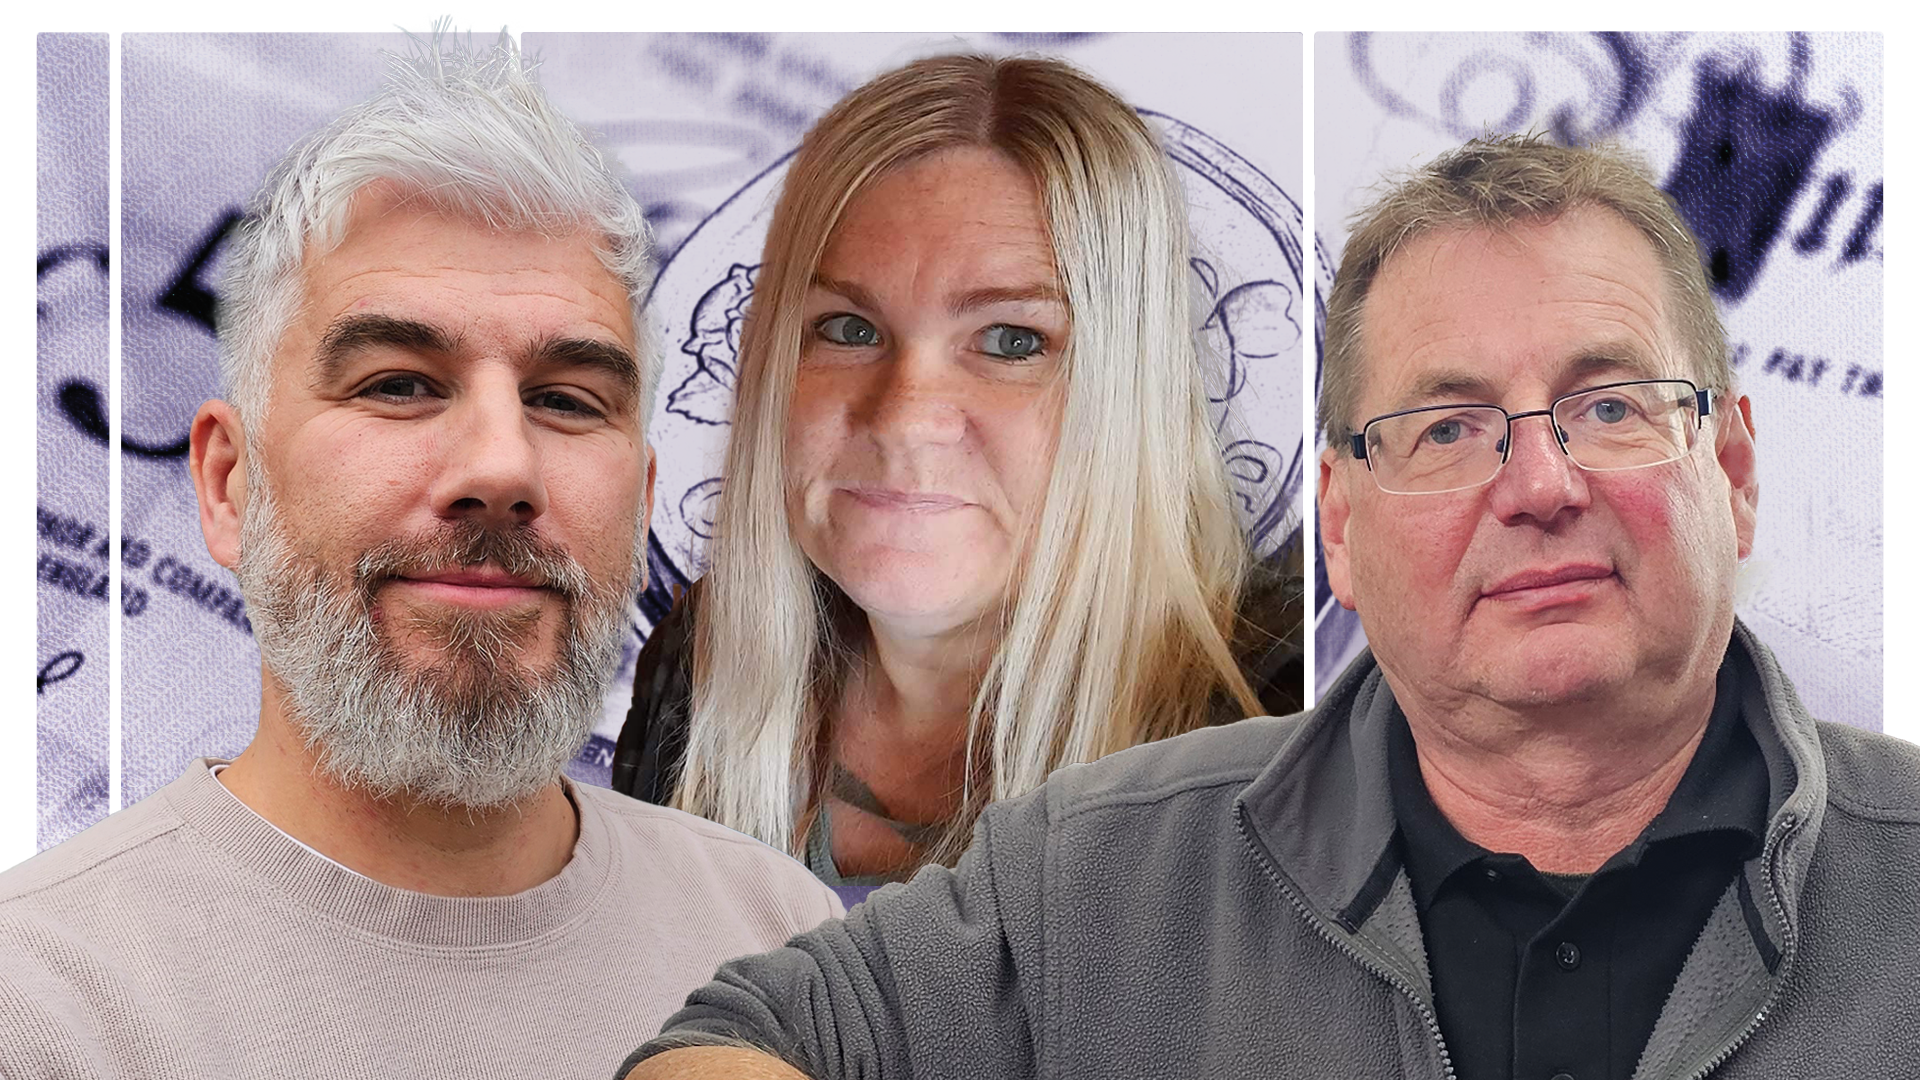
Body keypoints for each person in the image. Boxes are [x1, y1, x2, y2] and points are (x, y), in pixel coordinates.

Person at [619, 135, 1920, 1080]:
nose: (1539, 483)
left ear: (1734, 473)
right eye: (1449, 426)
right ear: (1343, 524)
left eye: (1611, 407)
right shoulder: (1097, 868)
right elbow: (733, 1042)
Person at [0, 36, 839, 1079]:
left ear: (645, 505)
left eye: (567, 400)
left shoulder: (786, 943)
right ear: (229, 483)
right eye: (399, 383)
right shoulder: (37, 1008)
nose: (500, 466)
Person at [610, 53, 1304, 889]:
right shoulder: (699, 671)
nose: (904, 417)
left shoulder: (1290, 736)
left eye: (1012, 340)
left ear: (1133, 389)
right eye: (846, 329)